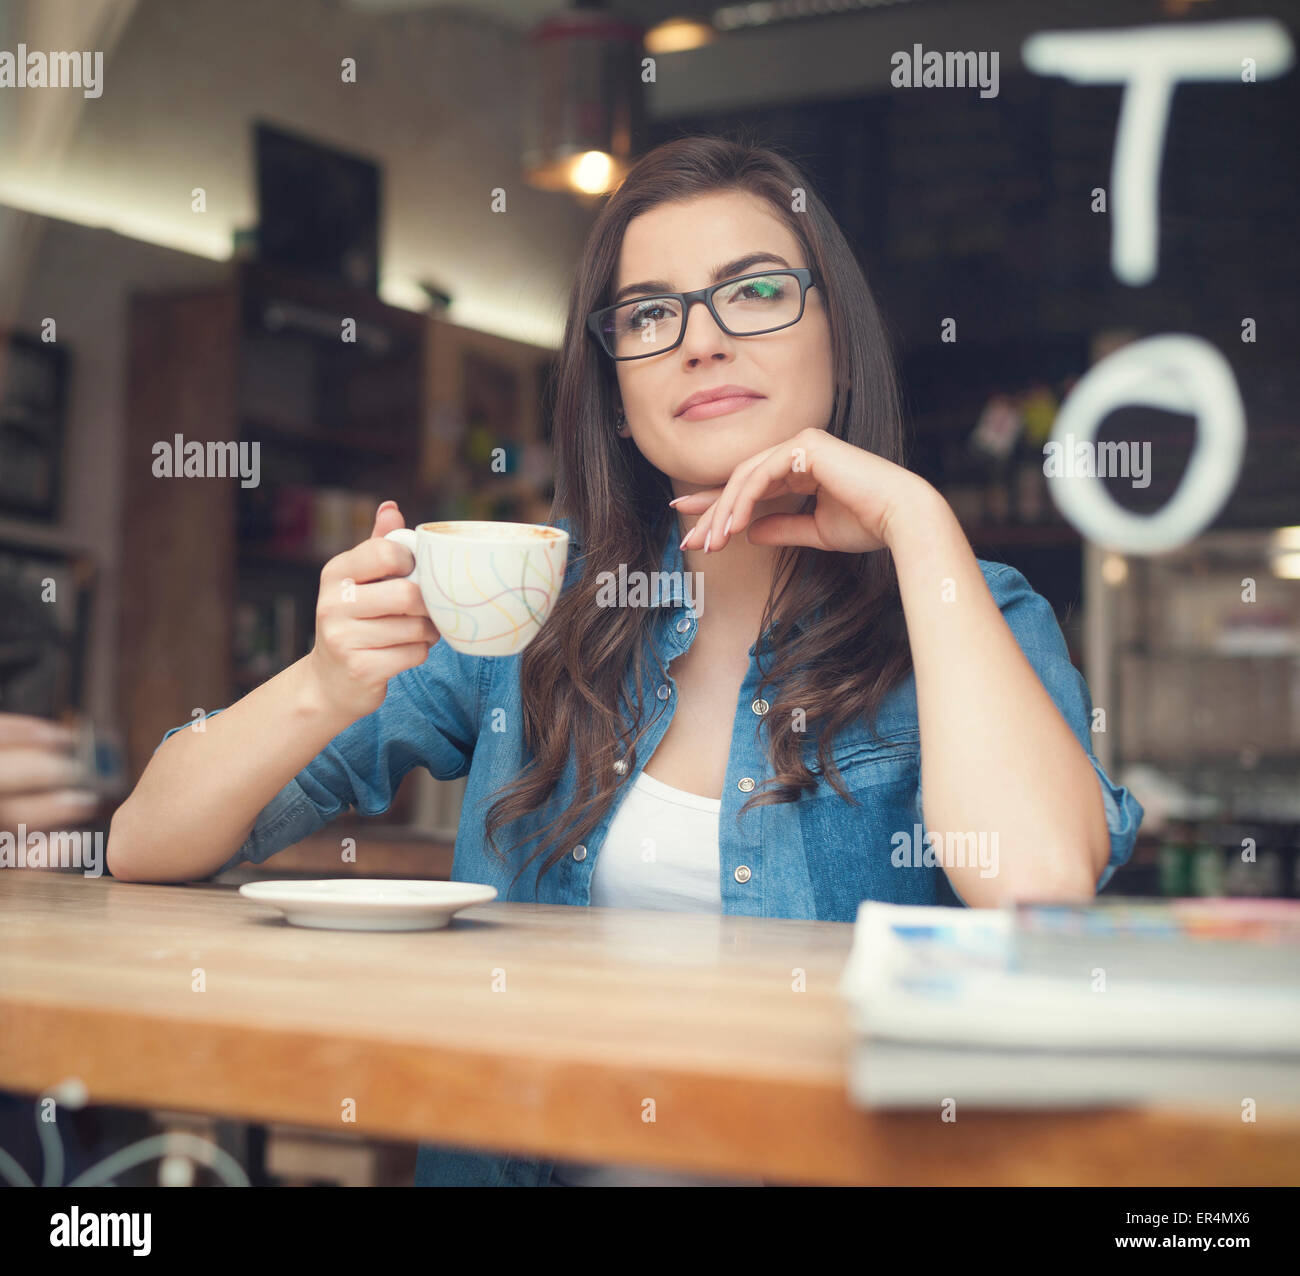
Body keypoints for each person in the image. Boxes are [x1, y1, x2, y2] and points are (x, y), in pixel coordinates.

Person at [108, 135, 1143, 1187]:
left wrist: (917, 524)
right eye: (650, 314)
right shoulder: (530, 611)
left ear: (838, 338)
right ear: (613, 390)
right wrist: (326, 681)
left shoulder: (968, 611)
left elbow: (1038, 885)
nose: (699, 342)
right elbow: (145, 842)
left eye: (753, 292)